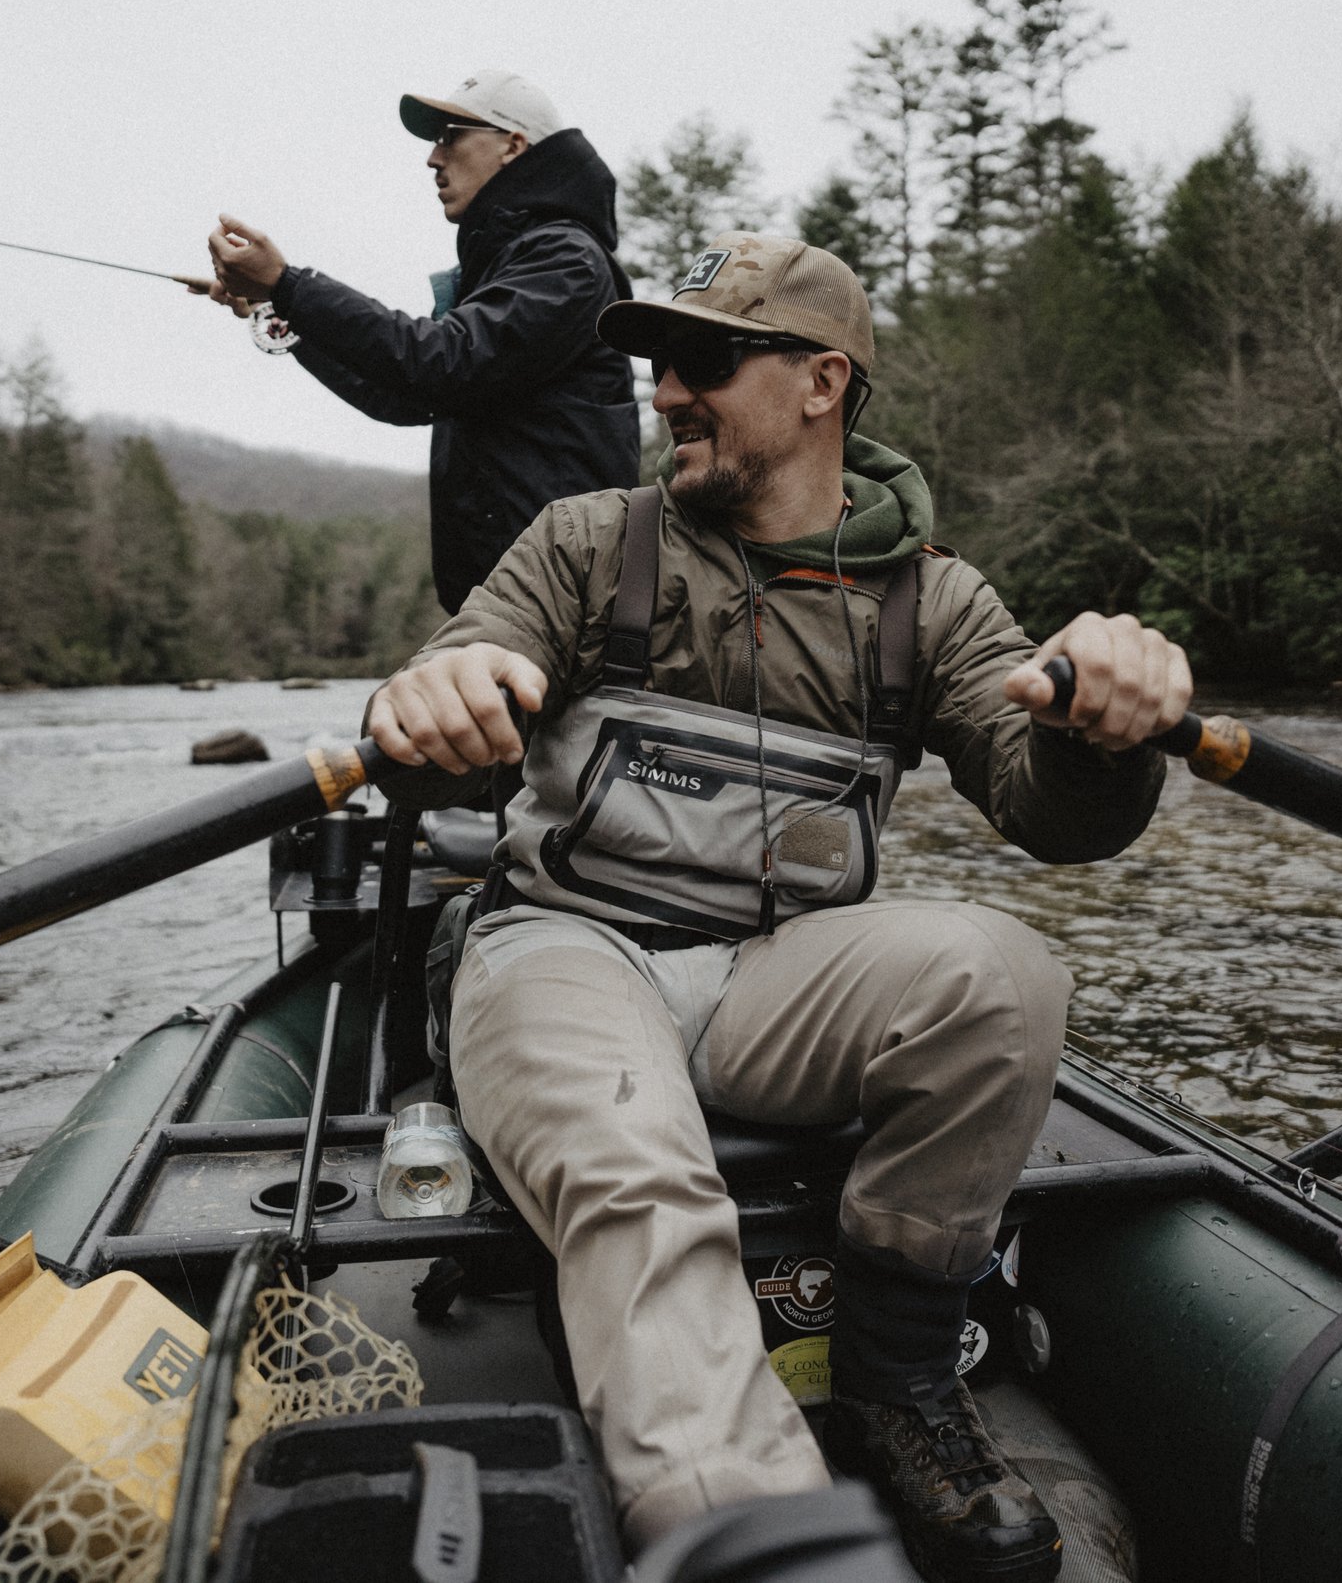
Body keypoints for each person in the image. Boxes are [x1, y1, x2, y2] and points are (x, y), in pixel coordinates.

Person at [362, 233, 1193, 1583]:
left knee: (1005, 972)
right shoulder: (588, 543)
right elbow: (475, 648)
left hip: (770, 982)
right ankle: (757, 1536)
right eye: (653, 361)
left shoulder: (935, 599)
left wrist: (1111, 731)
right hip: (565, 946)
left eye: (700, 359)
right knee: (636, 1165)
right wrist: (435, 690)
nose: (664, 391)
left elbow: (1053, 811)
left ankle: (903, 1369)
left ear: (823, 381)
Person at [195, 69, 640, 613]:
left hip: (560, 603)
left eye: (451, 135)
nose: (433, 158)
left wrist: (288, 285)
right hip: (516, 604)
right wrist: (274, 306)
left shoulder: (565, 260)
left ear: (514, 146)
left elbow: (441, 361)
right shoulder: (514, 264)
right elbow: (403, 395)